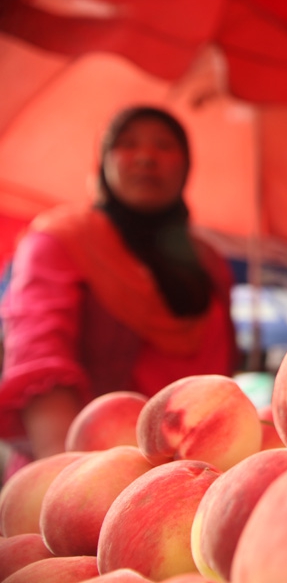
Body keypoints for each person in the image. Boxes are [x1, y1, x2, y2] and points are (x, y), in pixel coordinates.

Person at [0, 106, 238, 481]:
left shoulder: (209, 263)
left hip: (192, 478)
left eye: (164, 145)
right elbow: (38, 354)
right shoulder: (62, 239)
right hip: (83, 474)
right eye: (127, 145)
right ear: (104, 162)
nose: (146, 157)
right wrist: (64, 477)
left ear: (186, 166)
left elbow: (218, 378)